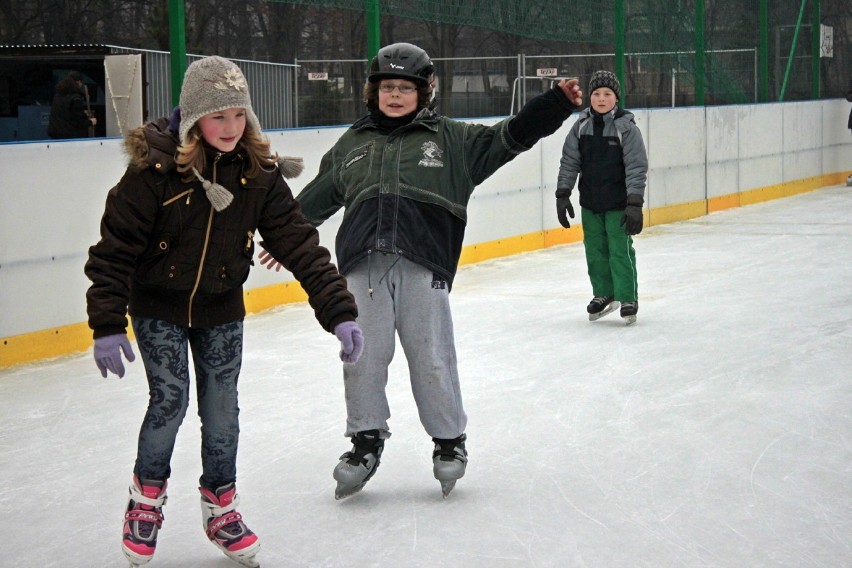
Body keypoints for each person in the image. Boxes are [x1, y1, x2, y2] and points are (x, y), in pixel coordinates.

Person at [260, 42, 583, 499]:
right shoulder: (352, 144)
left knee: (431, 356)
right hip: (361, 265)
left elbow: (508, 137)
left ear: (425, 91)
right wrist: (283, 237)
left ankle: (449, 441)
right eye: (386, 87)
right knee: (361, 357)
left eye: (404, 88)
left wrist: (554, 104)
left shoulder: (452, 140)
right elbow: (316, 197)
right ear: (373, 92)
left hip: (422, 262)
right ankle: (365, 439)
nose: (394, 95)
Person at [84, 56, 363, 568]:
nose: (232, 128)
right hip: (158, 306)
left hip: (220, 310)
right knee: (169, 401)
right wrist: (106, 321)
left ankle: (221, 505)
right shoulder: (154, 173)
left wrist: (338, 310)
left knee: (222, 414)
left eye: (239, 115)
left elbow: (301, 246)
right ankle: (145, 502)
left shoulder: (258, 176)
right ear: (194, 120)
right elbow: (114, 249)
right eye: (219, 117)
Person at [556, 70, 648, 325]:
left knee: (620, 250)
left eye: (607, 94)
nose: (601, 98)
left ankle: (628, 296)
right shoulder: (581, 126)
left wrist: (635, 203)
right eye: (596, 93)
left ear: (616, 98)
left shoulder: (626, 128)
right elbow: (569, 162)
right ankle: (604, 292)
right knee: (595, 251)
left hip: (619, 203)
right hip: (591, 202)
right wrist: (563, 193)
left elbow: (636, 167)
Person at [48, 70, 96, 139]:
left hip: (55, 133)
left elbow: (65, 113)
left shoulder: (58, 95)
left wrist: (83, 113)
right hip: (69, 135)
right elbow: (77, 122)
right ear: (79, 82)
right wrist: (91, 122)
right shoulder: (76, 98)